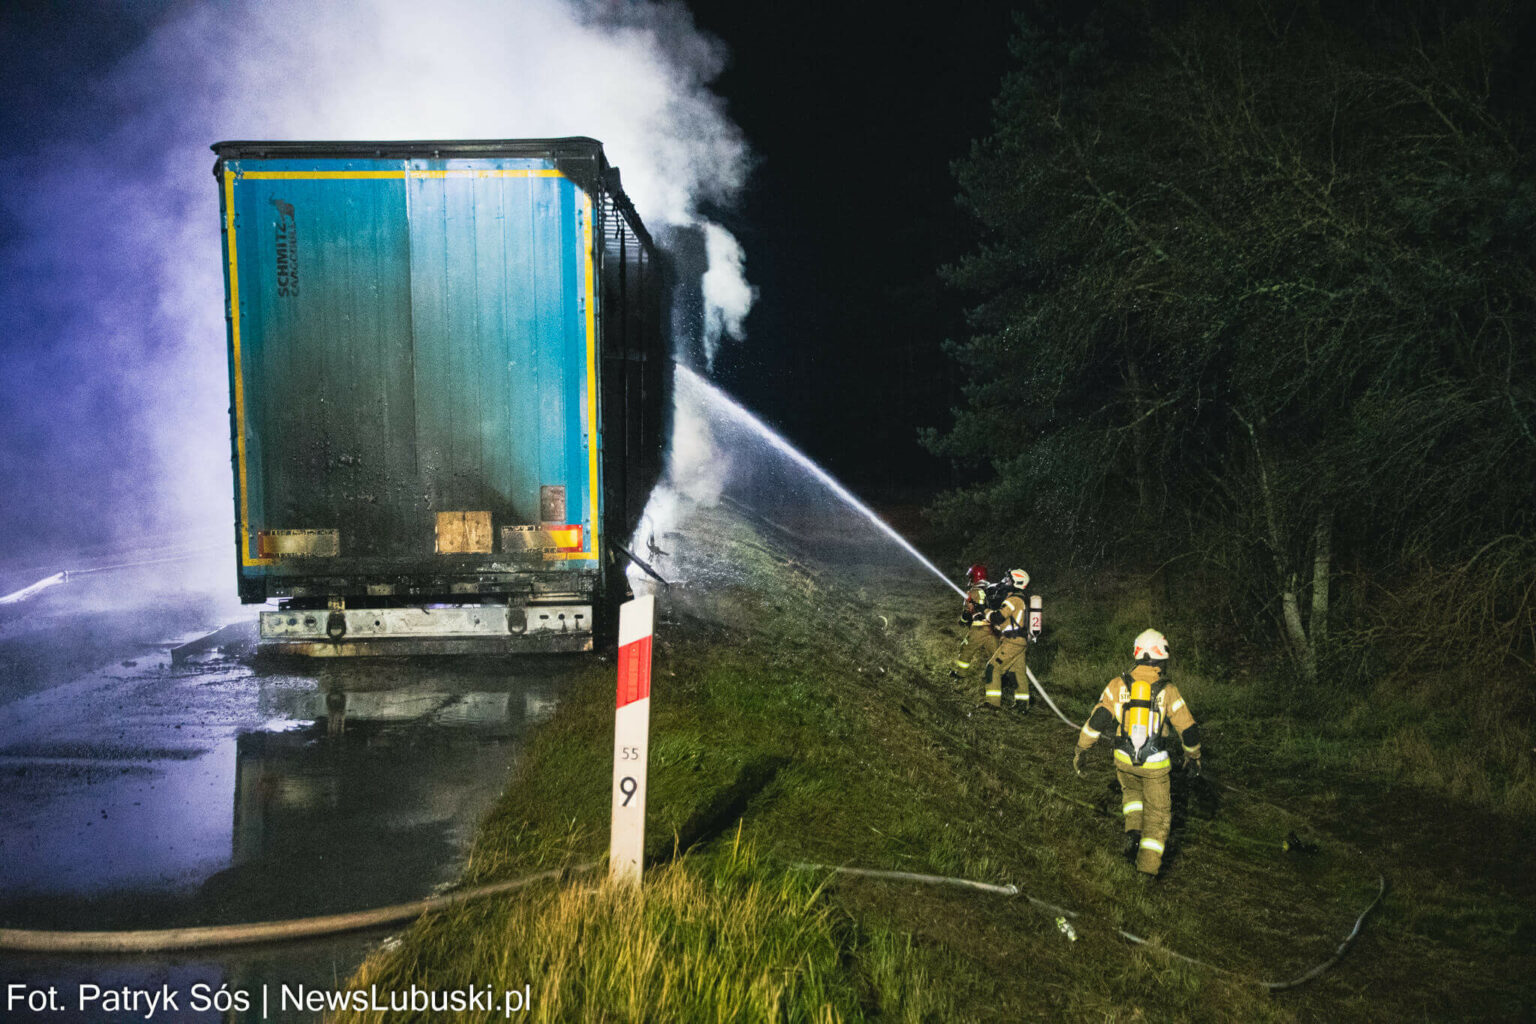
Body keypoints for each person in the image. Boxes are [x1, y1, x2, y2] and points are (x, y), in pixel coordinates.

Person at [1072, 628, 1202, 877]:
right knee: (1158, 816)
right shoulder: (1168, 689)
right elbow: (1189, 730)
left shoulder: (1116, 684)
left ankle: (1133, 835)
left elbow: (1097, 720)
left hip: (1123, 758)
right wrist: (1193, 757)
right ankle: (1146, 871)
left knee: (1131, 794)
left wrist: (1081, 749)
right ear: (1160, 658)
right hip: (1155, 764)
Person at [982, 568, 1035, 711]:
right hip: (1020, 641)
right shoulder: (1022, 599)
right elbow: (1007, 623)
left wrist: (984, 610)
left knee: (992, 668)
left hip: (1012, 641)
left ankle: (993, 704)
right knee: (1017, 673)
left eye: (1008, 580)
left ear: (1016, 582)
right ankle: (1022, 705)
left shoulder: (1013, 600)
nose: (1005, 582)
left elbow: (997, 617)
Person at [954, 564, 1001, 689]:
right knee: (996, 655)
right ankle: (1004, 678)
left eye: (970, 577)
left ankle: (960, 675)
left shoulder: (973, 592)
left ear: (974, 577)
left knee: (966, 649)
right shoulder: (992, 589)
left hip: (979, 627)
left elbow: (968, 611)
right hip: (993, 627)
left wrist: (963, 621)